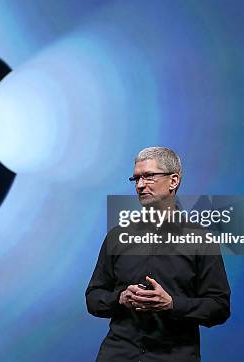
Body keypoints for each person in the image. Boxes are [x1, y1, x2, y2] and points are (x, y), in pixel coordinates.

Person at [86, 147, 231, 361]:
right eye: (136, 179)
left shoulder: (201, 239)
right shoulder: (117, 236)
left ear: (173, 181)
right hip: (118, 354)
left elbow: (219, 307)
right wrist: (120, 298)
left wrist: (172, 304)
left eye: (149, 176)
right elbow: (93, 297)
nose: (140, 185)